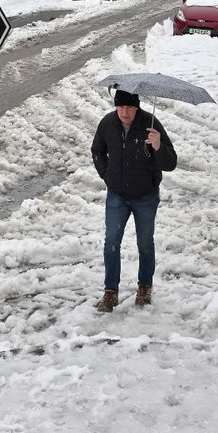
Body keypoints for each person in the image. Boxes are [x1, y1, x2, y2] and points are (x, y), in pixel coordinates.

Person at [91, 89, 177, 312]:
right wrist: (106, 174)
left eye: (129, 108)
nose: (124, 112)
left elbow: (170, 163)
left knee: (145, 243)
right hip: (117, 195)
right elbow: (97, 151)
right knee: (111, 242)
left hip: (145, 196)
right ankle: (110, 292)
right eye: (120, 107)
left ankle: (145, 287)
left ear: (137, 107)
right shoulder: (108, 124)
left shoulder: (150, 123)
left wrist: (158, 146)